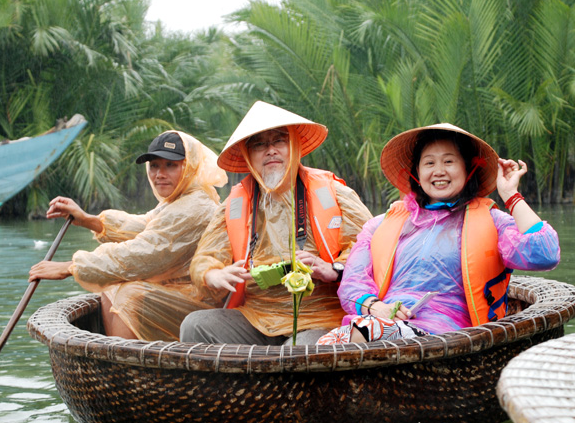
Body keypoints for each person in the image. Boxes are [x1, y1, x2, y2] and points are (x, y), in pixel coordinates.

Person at [317, 123, 560, 345]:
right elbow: (351, 284)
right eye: (429, 163)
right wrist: (376, 307)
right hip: (382, 320)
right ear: (417, 172)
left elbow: (545, 254)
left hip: (450, 332)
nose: (439, 171)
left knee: (367, 330)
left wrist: (511, 195)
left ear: (468, 168)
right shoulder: (380, 225)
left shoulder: (492, 221)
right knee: (328, 342)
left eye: (449, 161)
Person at [179, 101, 373, 345]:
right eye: (259, 145)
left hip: (320, 317)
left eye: (279, 141)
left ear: (294, 147)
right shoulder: (235, 204)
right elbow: (204, 258)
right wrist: (212, 274)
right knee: (195, 325)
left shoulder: (332, 193)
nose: (270, 150)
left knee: (297, 350)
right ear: (249, 156)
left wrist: (333, 269)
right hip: (257, 317)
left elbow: (369, 247)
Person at [29, 130, 228, 341]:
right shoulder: (181, 199)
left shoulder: (194, 206)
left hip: (202, 305)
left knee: (129, 295)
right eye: (154, 166)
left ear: (189, 167)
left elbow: (142, 254)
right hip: (181, 293)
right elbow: (144, 226)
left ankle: (121, 358)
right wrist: (89, 220)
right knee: (113, 285)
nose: (160, 174)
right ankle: (115, 351)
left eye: (170, 165)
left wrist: (71, 267)